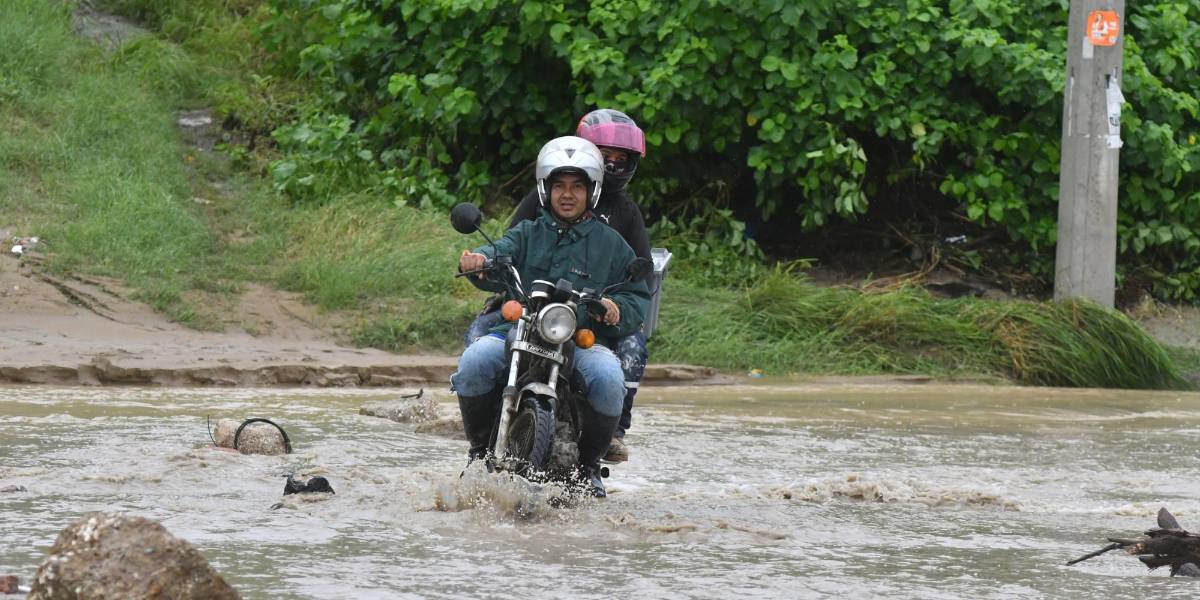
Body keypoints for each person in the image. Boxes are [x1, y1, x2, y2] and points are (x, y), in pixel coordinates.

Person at [451, 136, 650, 498]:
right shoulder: (528, 233)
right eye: (559, 185)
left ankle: (590, 468)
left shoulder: (611, 243)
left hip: (580, 339)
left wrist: (615, 307)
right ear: (546, 189)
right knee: (474, 362)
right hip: (520, 329)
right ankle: (479, 453)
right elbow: (499, 252)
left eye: (577, 186)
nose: (568, 194)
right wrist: (478, 259)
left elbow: (636, 294)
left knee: (608, 380)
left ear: (592, 190)